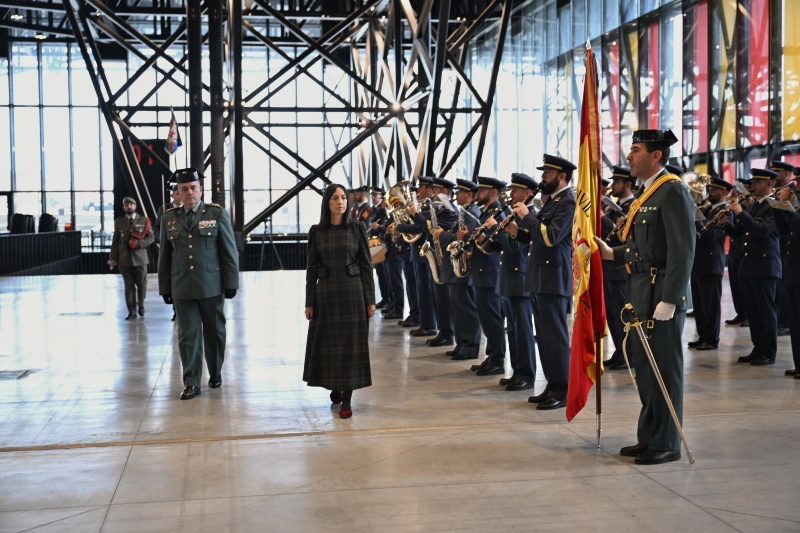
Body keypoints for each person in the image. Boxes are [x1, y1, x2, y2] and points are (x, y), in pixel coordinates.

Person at [594, 129, 695, 465]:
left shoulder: (673, 191)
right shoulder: (648, 194)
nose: (629, 156)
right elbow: (642, 248)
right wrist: (612, 253)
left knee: (664, 367)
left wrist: (672, 297)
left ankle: (667, 441)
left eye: (635, 150)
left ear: (656, 156)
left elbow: (682, 251)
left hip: (660, 292)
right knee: (645, 369)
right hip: (640, 290)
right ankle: (650, 435)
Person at [158, 168, 239, 400]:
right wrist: (165, 287)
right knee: (188, 336)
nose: (189, 192)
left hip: (211, 285)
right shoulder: (168, 219)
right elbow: (165, 256)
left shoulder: (216, 214)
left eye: (193, 187)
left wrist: (231, 282)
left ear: (201, 190)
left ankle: (215, 372)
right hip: (182, 286)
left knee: (215, 331)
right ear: (179, 193)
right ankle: (192, 381)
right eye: (184, 189)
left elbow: (229, 251)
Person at [304, 184, 376, 419]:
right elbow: (311, 268)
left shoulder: (356, 229)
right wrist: (309, 302)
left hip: (353, 294)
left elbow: (366, 265)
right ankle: (335, 385)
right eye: (335, 198)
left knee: (350, 347)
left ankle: (347, 397)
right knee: (329, 345)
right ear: (327, 203)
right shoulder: (317, 232)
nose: (340, 202)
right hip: (326, 294)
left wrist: (370, 299)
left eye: (343, 198)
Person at [515, 157, 576, 410]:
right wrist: (516, 231)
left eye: (547, 174)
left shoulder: (568, 202)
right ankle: (552, 385)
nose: (543, 178)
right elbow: (535, 237)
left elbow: (550, 237)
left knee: (556, 337)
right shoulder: (552, 202)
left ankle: (562, 391)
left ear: (561, 176)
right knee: (545, 337)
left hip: (553, 277)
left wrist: (528, 215)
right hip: (541, 276)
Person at [729, 167, 782, 366]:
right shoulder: (752, 206)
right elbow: (738, 233)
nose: (752, 185)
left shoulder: (775, 206)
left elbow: (763, 231)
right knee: (753, 311)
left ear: (769, 185)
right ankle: (758, 347)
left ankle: (768, 352)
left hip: (765, 266)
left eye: (757, 182)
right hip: (748, 265)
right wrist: (724, 223)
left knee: (766, 311)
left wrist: (741, 213)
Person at [688, 176, 733, 350]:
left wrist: (696, 219)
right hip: (699, 261)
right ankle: (702, 335)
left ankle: (712, 338)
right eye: (710, 189)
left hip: (711, 262)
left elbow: (712, 235)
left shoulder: (726, 212)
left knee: (710, 304)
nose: (710, 192)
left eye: (713, 190)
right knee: (699, 304)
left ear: (723, 192)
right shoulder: (707, 209)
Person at [600, 165, 636, 370]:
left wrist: (603, 218)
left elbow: (625, 237)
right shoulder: (613, 207)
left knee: (623, 315)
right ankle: (619, 351)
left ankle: (629, 354)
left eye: (616, 182)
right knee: (613, 315)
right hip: (610, 268)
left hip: (621, 268)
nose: (613, 185)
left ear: (627, 184)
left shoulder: (632, 206)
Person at [108, 196, 155, 320]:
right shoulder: (119, 221)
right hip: (124, 259)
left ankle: (141, 304)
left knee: (141, 284)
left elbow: (151, 237)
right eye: (126, 205)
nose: (129, 207)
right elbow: (115, 241)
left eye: (131, 204)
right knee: (128, 286)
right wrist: (113, 258)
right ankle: (132, 311)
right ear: (123, 207)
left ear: (135, 206)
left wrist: (139, 243)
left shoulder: (144, 220)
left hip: (140, 258)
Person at [155, 184, 182, 320]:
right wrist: (161, 239)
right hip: (171, 250)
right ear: (172, 195)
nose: (180, 196)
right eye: (177, 193)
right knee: (173, 281)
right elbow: (157, 228)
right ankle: (176, 310)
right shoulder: (165, 210)